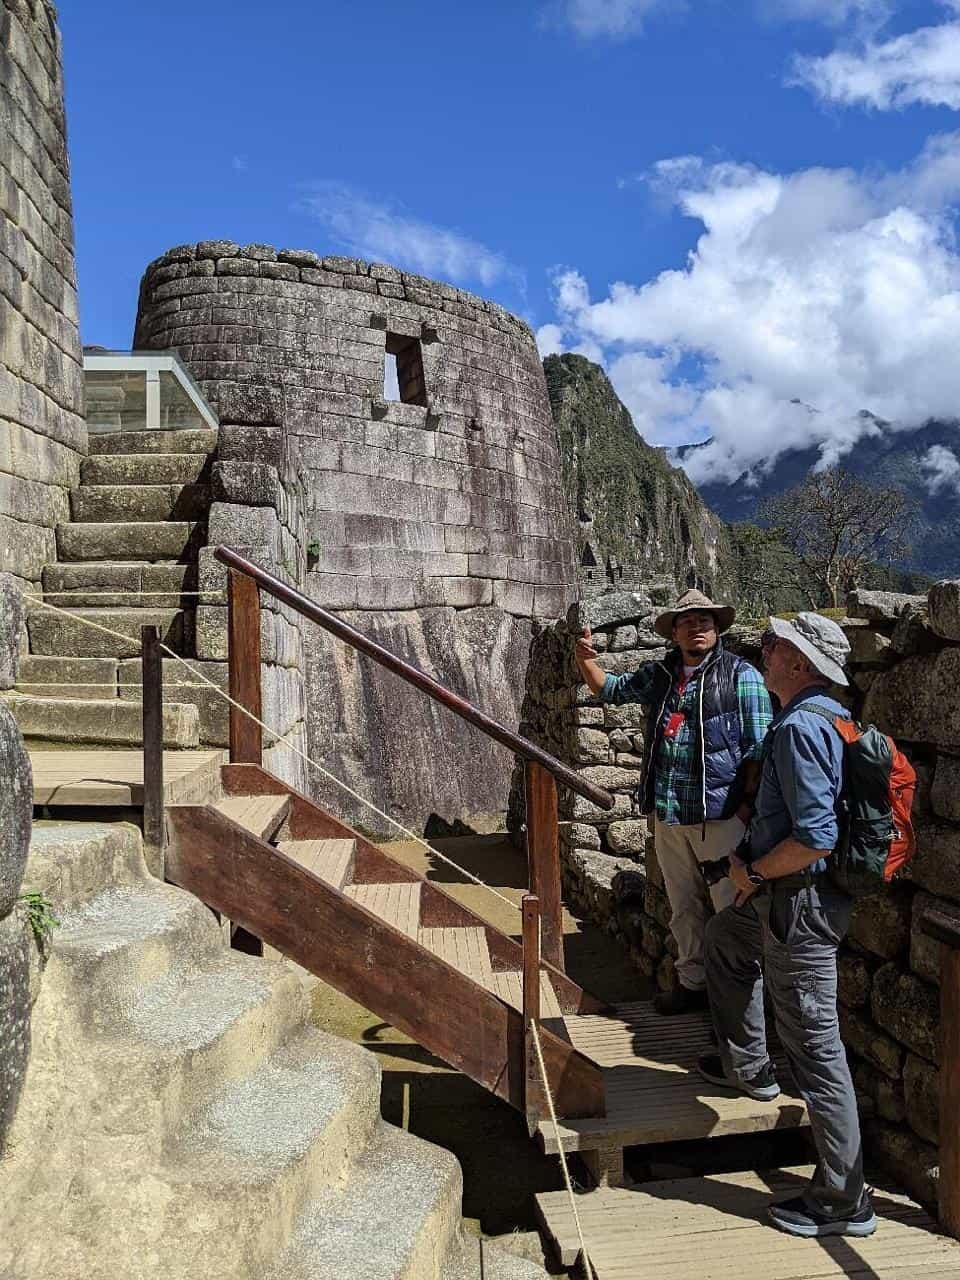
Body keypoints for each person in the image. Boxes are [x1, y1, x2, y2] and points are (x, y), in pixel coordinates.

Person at [696, 613, 877, 1239]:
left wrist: (754, 875)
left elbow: (816, 837)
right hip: (787, 901)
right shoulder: (825, 716)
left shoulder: (802, 727)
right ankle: (749, 1067)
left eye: (775, 645)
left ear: (799, 663)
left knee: (817, 1050)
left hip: (794, 904)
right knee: (723, 941)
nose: (764, 650)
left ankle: (842, 1198)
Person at [574, 589, 773, 1014]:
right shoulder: (662, 676)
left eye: (704, 621)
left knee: (731, 909)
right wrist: (584, 658)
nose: (696, 628)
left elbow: (760, 750)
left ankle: (738, 1007)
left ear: (717, 628)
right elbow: (609, 690)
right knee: (683, 907)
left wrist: (743, 811)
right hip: (669, 814)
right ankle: (692, 985)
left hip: (720, 818)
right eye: (687, 622)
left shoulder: (742, 676)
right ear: (674, 633)